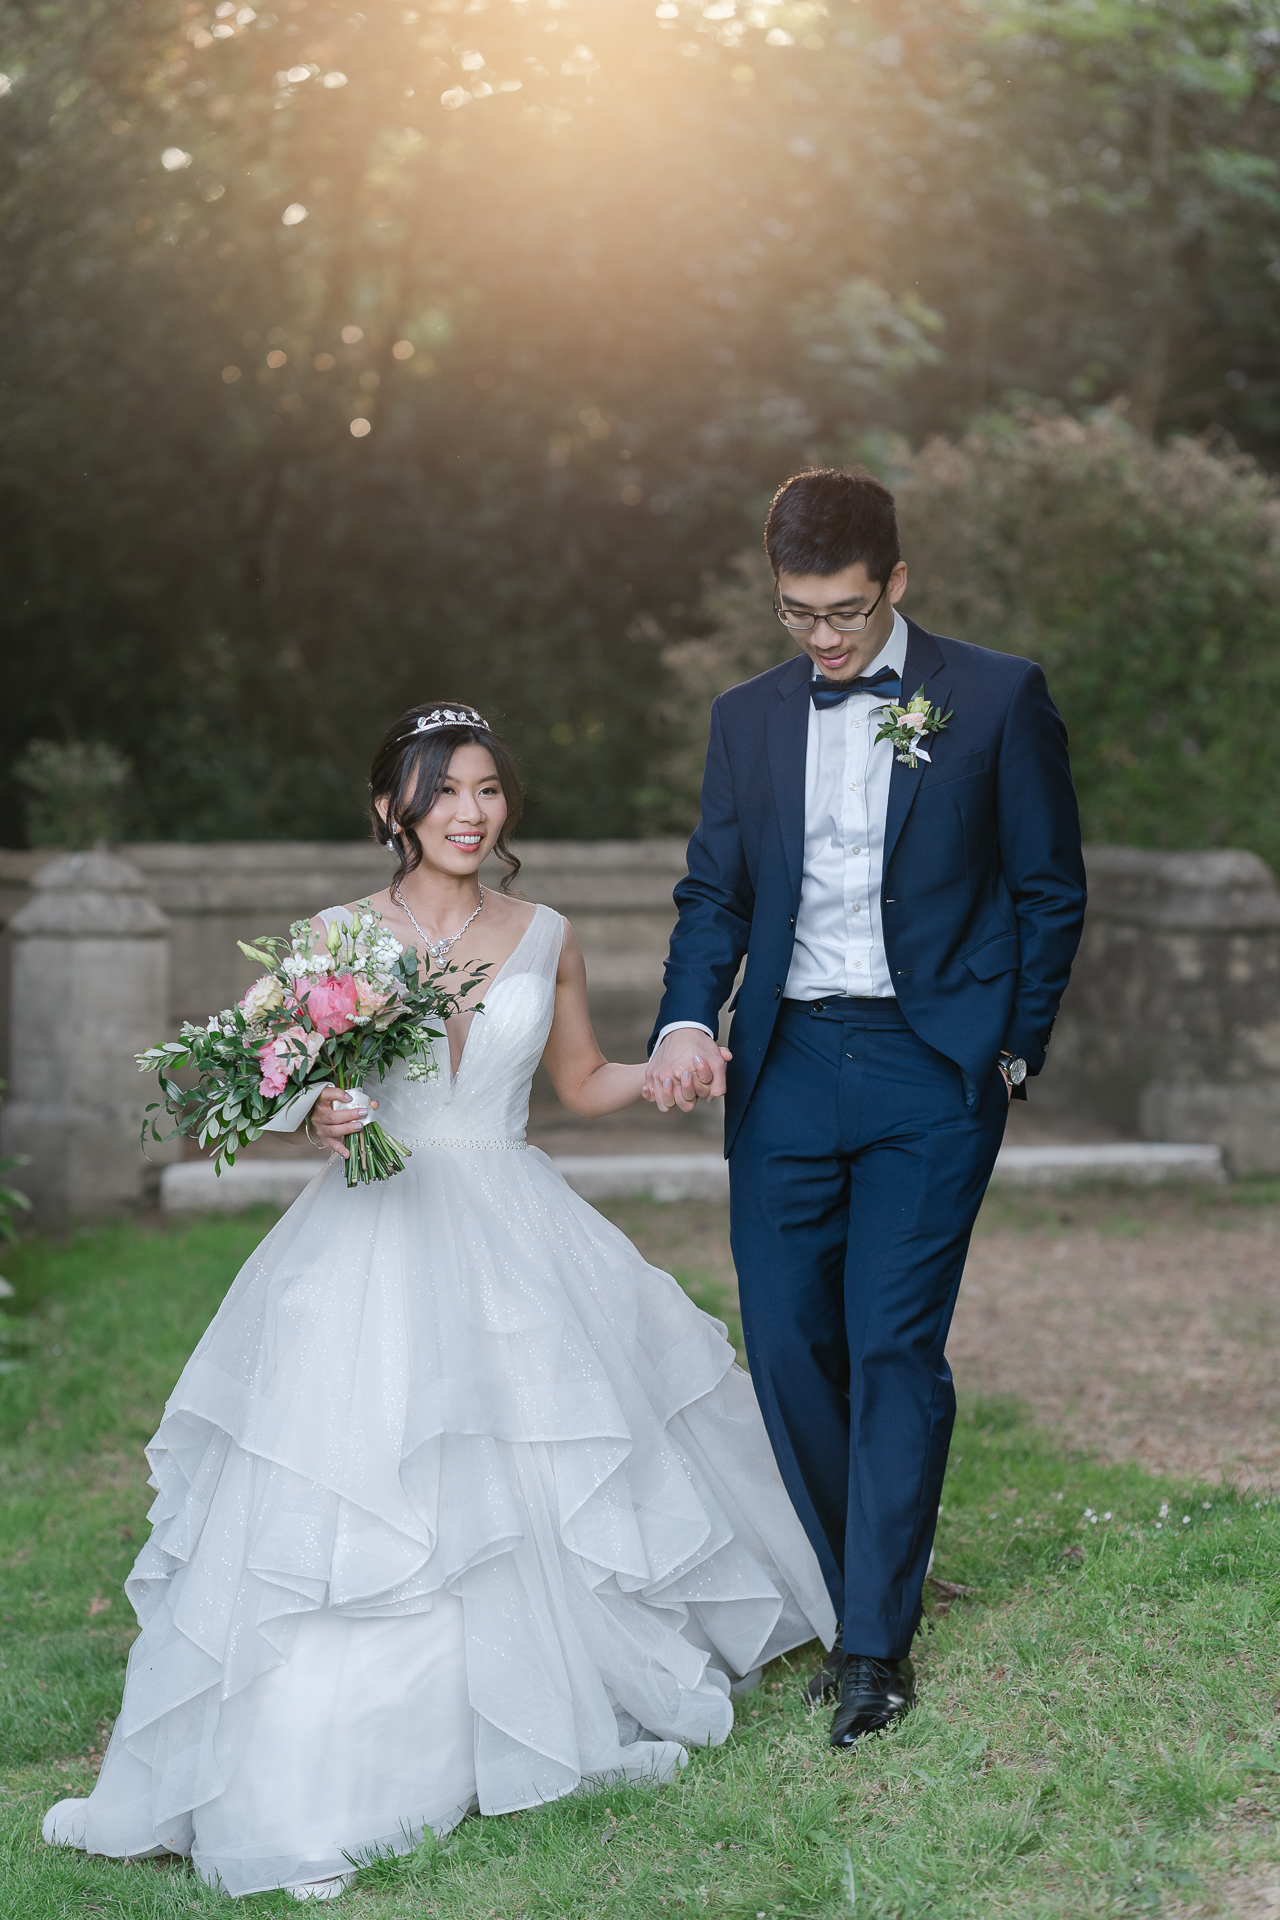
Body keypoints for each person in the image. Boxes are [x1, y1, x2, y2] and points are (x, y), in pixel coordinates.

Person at [43, 703, 834, 1900]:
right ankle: (337, 1754)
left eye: (487, 791)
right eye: (443, 793)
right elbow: (249, 1090)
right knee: (368, 1476)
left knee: (541, 1471)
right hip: (373, 1233)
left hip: (515, 1218)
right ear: (389, 810)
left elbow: (574, 1081)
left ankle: (542, 1699)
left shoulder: (545, 934)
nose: (469, 813)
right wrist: (315, 1112)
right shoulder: (329, 944)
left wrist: (669, 1066)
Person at [644, 468, 1087, 1748]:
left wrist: (1010, 1050)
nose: (823, 638)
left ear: (894, 582)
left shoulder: (996, 696)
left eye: (842, 611)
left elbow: (1049, 886)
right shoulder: (745, 718)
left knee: (891, 1343)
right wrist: (687, 1015)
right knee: (787, 1348)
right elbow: (714, 892)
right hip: (784, 1063)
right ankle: (864, 1580)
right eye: (797, 614)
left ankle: (871, 1646)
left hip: (931, 1067)